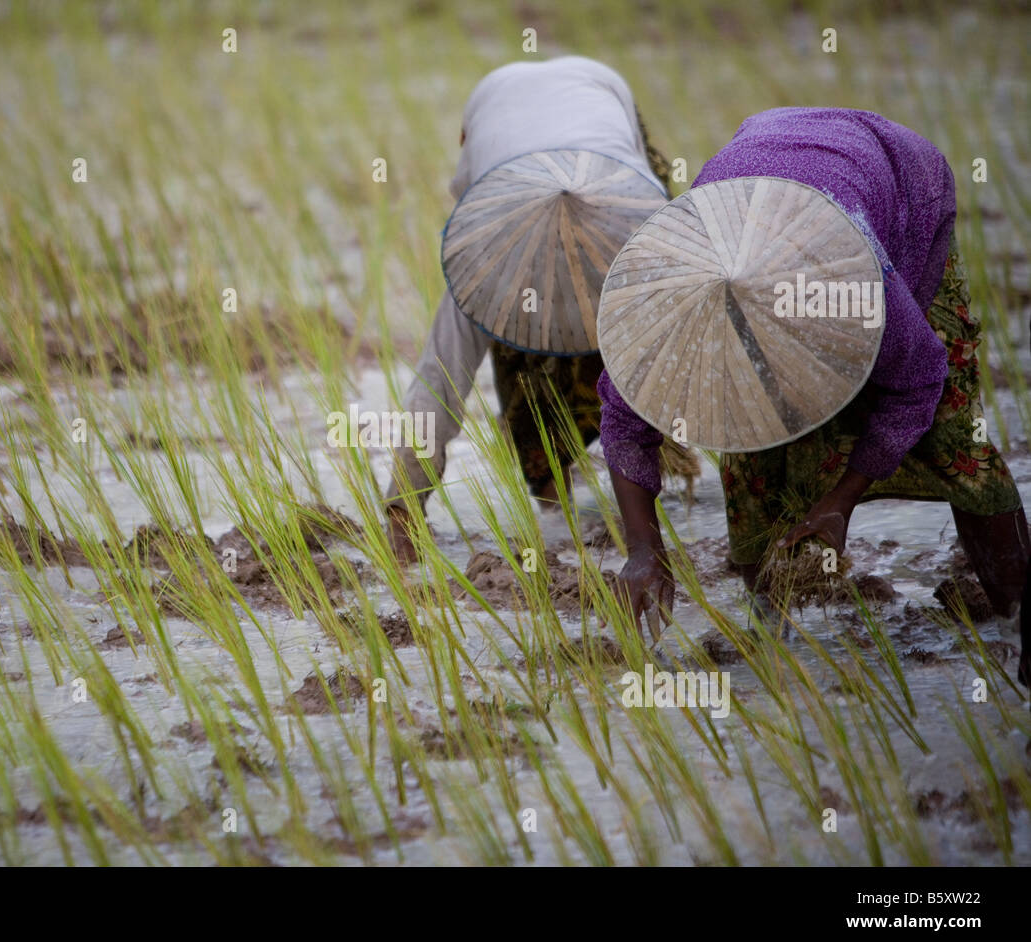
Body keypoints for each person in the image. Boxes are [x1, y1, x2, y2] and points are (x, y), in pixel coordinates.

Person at [595, 107, 1029, 690]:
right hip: (758, 180)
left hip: (892, 185)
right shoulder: (672, 292)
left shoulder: (859, 280)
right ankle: (770, 635)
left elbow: (920, 378)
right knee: (749, 439)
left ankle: (1018, 618)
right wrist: (644, 549)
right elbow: (624, 421)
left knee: (952, 436)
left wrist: (841, 501)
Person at [383, 55, 694, 563]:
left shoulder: (632, 237)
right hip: (591, 179)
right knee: (532, 342)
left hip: (609, 197)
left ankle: (580, 503)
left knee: (621, 343)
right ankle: (558, 503)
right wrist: (403, 512)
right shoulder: (489, 257)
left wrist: (403, 511)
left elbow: (437, 381)